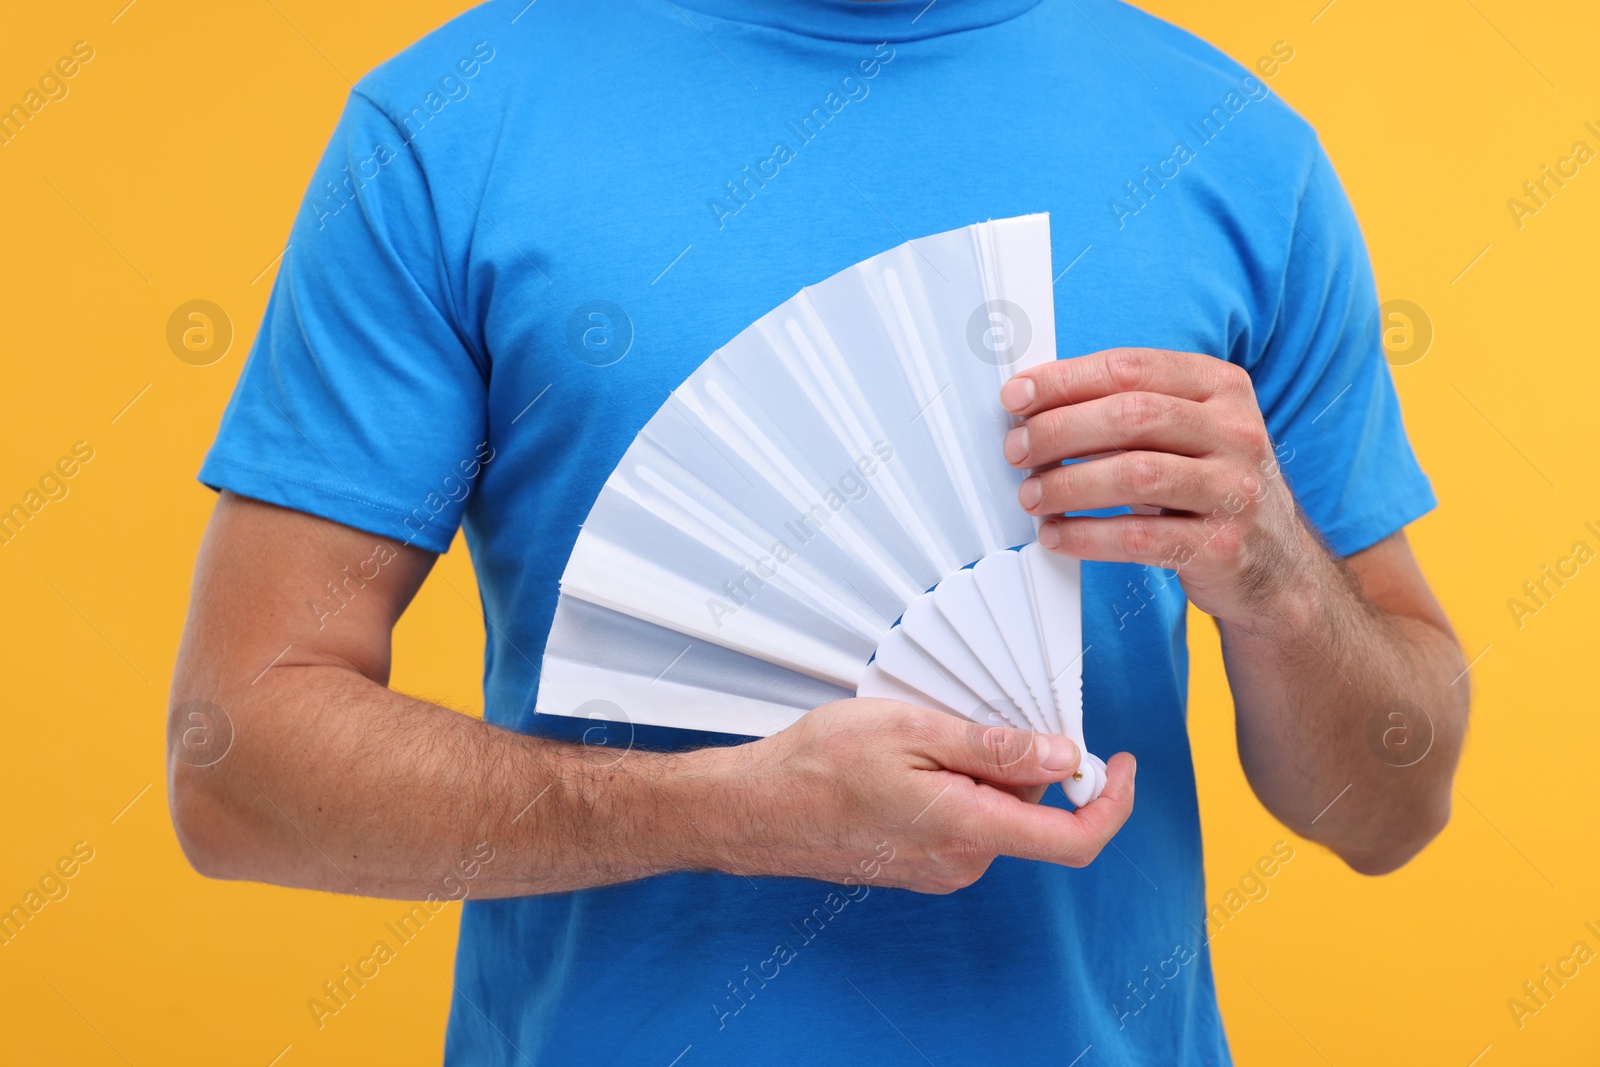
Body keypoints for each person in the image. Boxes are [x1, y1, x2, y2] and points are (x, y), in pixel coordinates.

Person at [167, 1, 1468, 1062]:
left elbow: (1391, 808)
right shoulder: (451, 129)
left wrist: (1282, 580)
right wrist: (717, 811)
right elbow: (237, 766)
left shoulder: (1238, 151)